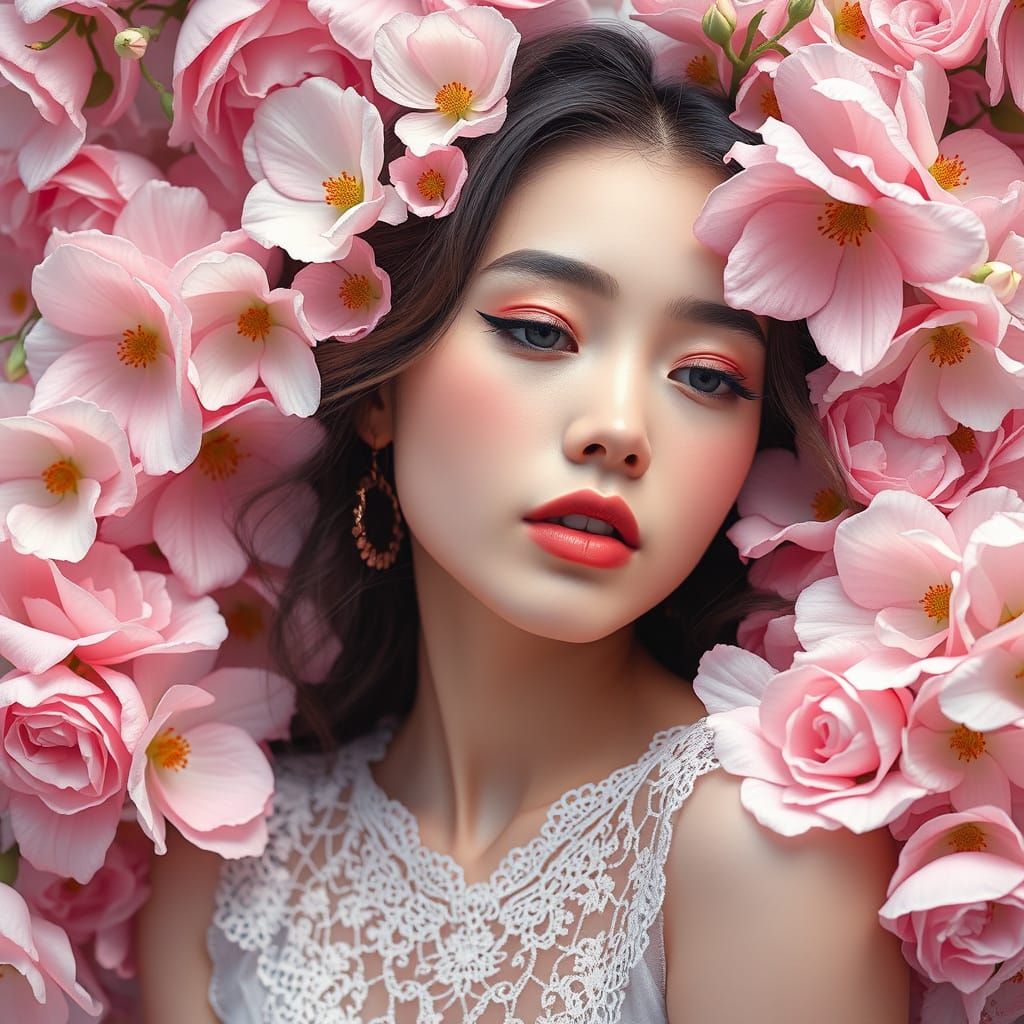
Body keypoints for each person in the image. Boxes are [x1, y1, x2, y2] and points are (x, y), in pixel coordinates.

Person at [137, 23, 910, 1024]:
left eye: (707, 377)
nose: (619, 431)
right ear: (381, 384)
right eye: (541, 330)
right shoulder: (226, 876)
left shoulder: (757, 846)